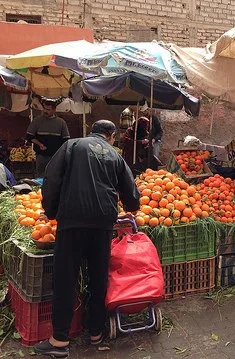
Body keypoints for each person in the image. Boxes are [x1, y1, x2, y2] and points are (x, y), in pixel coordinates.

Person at [34, 120, 140, 358]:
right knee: (97, 278)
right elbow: (131, 191)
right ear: (111, 136)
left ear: (91, 132)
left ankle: (60, 340)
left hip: (72, 221)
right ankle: (95, 333)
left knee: (65, 278)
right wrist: (132, 206)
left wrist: (51, 211)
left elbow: (51, 179)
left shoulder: (72, 146)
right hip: (102, 224)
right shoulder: (115, 156)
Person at [26, 99, 70, 178]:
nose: (45, 111)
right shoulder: (37, 121)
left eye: (48, 110)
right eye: (44, 109)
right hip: (41, 156)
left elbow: (66, 140)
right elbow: (30, 136)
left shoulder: (61, 122)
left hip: (56, 156)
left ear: (54, 110)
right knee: (40, 178)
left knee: (55, 177)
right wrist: (39, 144)